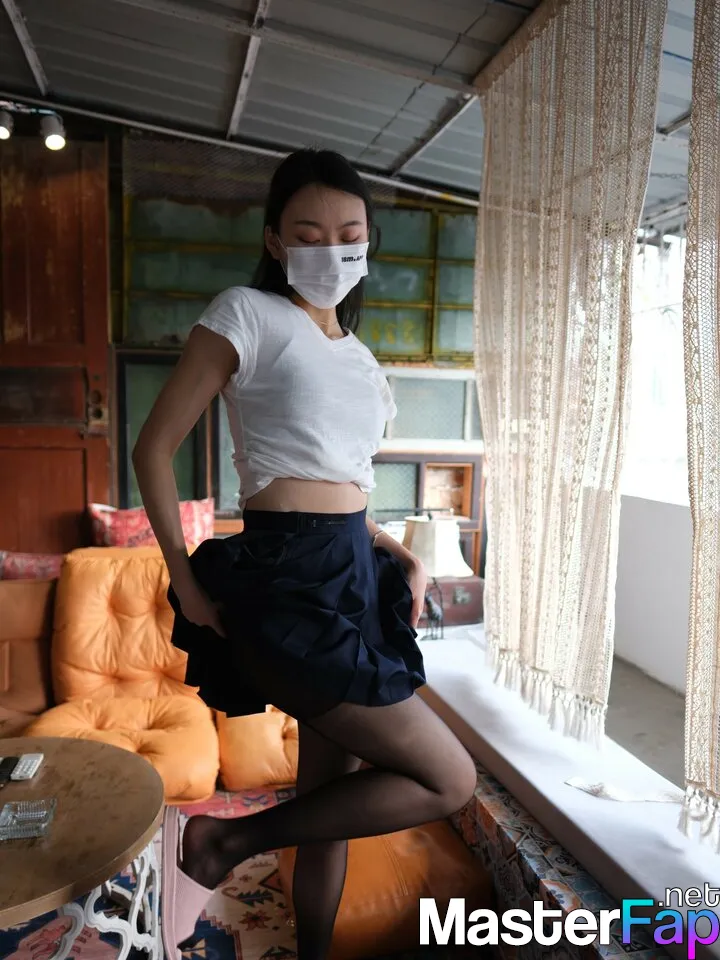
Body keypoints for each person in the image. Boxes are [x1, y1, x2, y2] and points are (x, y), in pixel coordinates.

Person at [132, 148, 478, 960]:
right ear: (276, 241)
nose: (332, 250)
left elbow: (346, 483)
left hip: (355, 572)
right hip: (287, 576)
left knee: (330, 805)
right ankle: (224, 841)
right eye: (310, 234)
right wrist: (185, 582)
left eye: (350, 235)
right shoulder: (247, 313)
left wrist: (398, 551)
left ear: (368, 242)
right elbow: (153, 450)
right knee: (448, 778)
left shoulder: (359, 356)